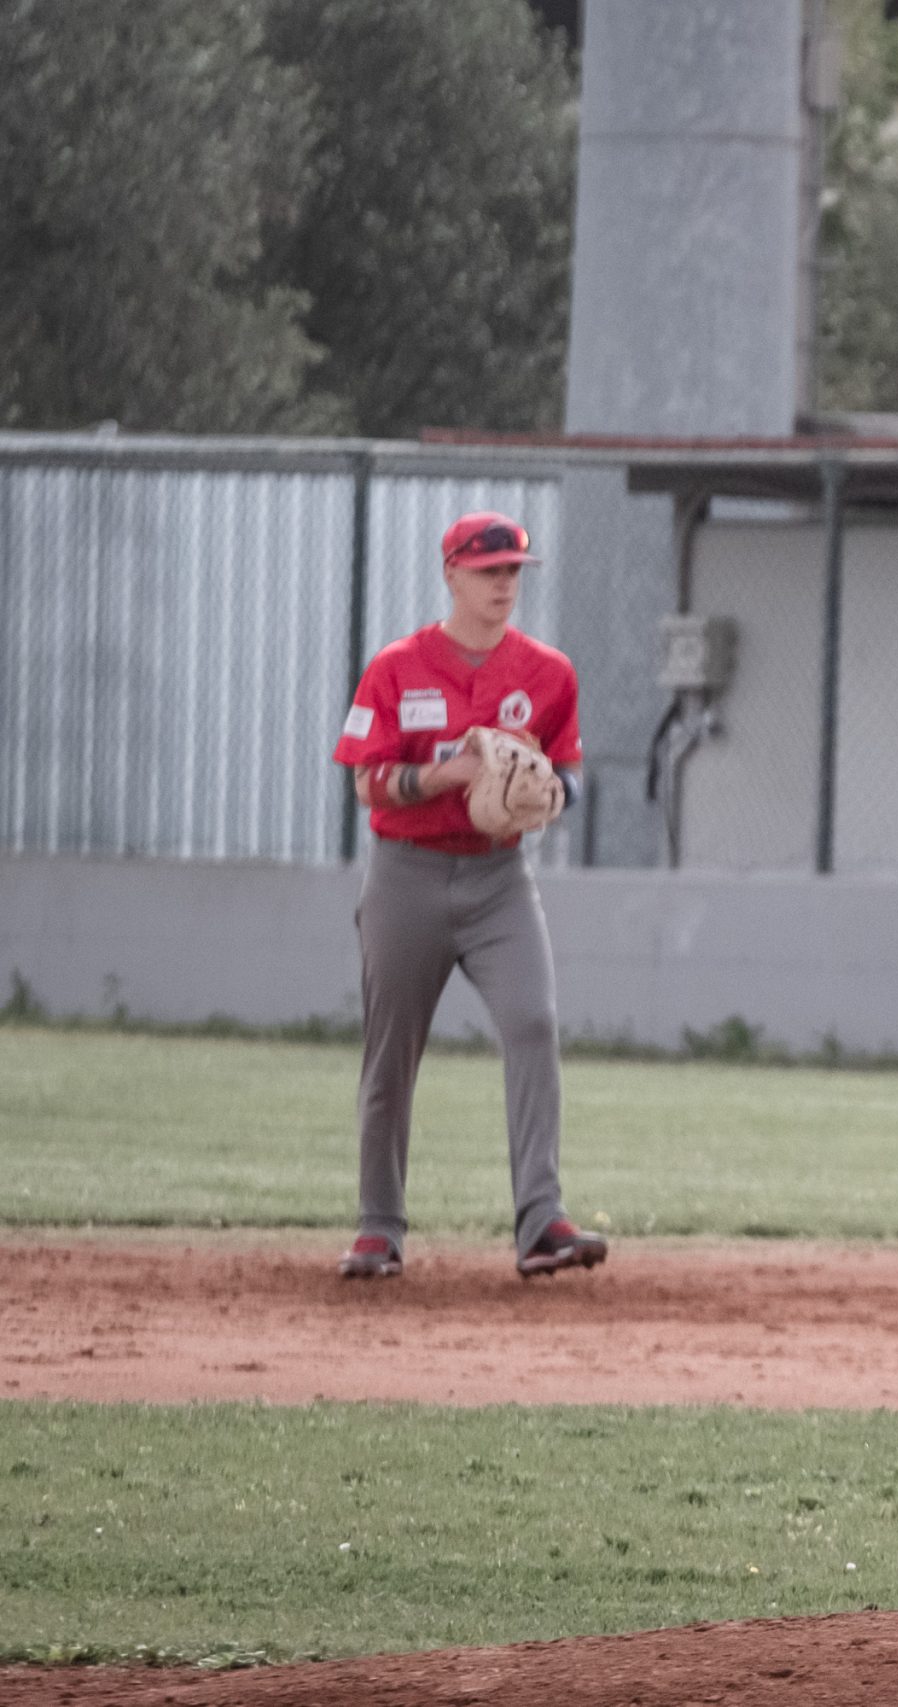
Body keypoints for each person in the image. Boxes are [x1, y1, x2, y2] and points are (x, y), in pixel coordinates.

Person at [328, 511, 606, 1282]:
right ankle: (378, 1226)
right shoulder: (396, 666)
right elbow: (366, 781)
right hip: (406, 872)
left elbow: (574, 769)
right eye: (490, 570)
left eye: (515, 570)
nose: (505, 584)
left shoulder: (549, 672)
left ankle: (541, 1220)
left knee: (534, 1020)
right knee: (391, 1052)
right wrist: (441, 778)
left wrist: (550, 792)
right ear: (451, 572)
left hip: (498, 879)